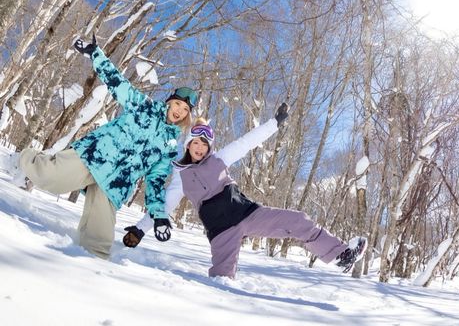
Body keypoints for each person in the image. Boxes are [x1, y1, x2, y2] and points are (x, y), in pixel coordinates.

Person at [3, 35, 196, 259]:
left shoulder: (170, 146)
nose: (180, 111)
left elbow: (155, 182)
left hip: (116, 185)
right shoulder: (144, 106)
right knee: (49, 176)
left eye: (185, 110)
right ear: (170, 101)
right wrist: (95, 54)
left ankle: (83, 272)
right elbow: (117, 83)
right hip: (95, 156)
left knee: (98, 244)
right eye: (178, 104)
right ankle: (19, 160)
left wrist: (159, 214)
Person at [123, 103, 367, 278]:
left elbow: (246, 143)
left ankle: (341, 255)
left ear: (209, 148)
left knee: (298, 220)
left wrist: (274, 124)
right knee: (221, 281)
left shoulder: (218, 160)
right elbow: (165, 205)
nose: (199, 148)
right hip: (220, 232)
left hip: (247, 214)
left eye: (204, 145)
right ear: (188, 145)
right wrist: (140, 229)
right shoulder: (180, 175)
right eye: (195, 143)